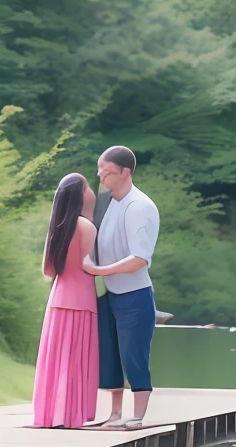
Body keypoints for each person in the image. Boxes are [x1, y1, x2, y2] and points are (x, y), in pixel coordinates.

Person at [86, 145, 161, 429]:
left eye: (105, 172)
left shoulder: (139, 205)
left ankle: (138, 415)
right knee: (110, 353)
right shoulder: (110, 203)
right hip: (110, 292)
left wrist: (99, 271)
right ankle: (115, 413)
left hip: (134, 294)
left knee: (133, 353)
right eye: (100, 171)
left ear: (124, 171)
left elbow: (140, 258)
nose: (100, 177)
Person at [32, 173, 99, 428]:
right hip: (82, 300)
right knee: (75, 360)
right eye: (88, 187)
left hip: (58, 299)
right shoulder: (87, 227)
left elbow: (48, 271)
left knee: (55, 359)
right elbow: (91, 266)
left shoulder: (57, 227)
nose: (92, 192)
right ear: (81, 196)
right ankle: (72, 415)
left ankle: (50, 414)